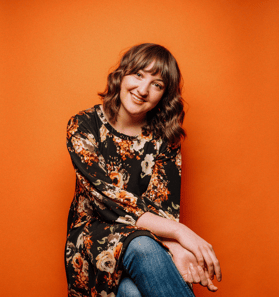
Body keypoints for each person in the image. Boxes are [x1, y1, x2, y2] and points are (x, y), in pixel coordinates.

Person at [65, 43, 222, 297]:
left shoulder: (165, 140)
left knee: (131, 293)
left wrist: (174, 246)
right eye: (138, 75)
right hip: (93, 241)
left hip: (148, 243)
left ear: (165, 95)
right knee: (142, 245)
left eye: (157, 84)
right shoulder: (83, 126)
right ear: (122, 74)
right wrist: (180, 236)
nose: (143, 89)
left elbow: (163, 208)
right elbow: (107, 200)